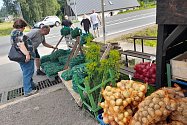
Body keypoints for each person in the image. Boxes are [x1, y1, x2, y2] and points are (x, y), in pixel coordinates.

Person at [10, 19, 37, 97]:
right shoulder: (18, 33)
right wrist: (27, 54)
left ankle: (31, 85)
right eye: (23, 27)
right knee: (28, 73)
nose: (24, 28)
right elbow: (20, 44)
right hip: (24, 56)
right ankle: (28, 91)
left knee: (27, 71)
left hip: (20, 56)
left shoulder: (13, 32)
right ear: (20, 26)